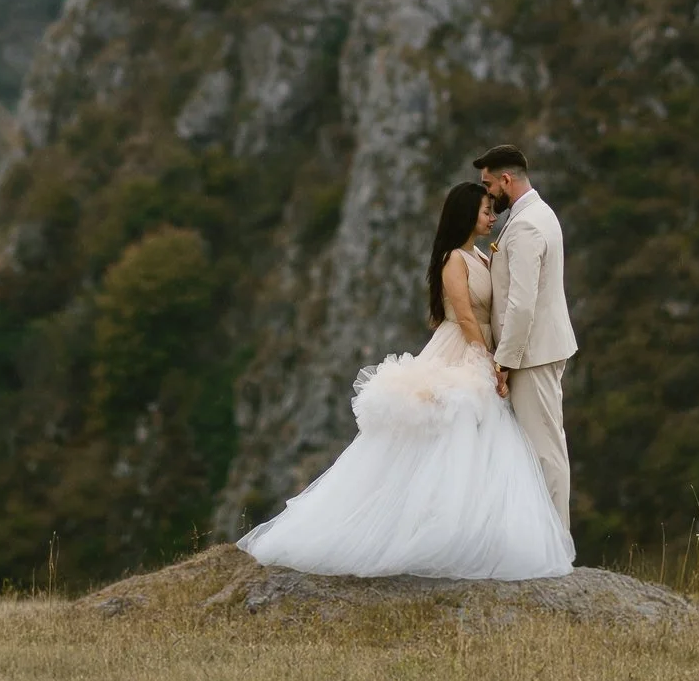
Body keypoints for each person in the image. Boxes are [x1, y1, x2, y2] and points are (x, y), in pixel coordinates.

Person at [237, 180, 573, 580]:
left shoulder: (479, 256)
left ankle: (473, 532)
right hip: (463, 349)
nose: (492, 216)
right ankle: (430, 529)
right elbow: (465, 316)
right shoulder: (454, 260)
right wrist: (487, 361)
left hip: (480, 348)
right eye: (485, 211)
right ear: (468, 215)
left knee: (483, 440)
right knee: (454, 430)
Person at [474, 144, 577, 528]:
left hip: (531, 355)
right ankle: (544, 540)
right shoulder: (534, 214)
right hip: (535, 351)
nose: (486, 194)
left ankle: (555, 547)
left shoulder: (528, 225)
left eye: (488, 185)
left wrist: (504, 361)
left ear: (506, 179)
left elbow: (521, 305)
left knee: (545, 452)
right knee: (542, 448)